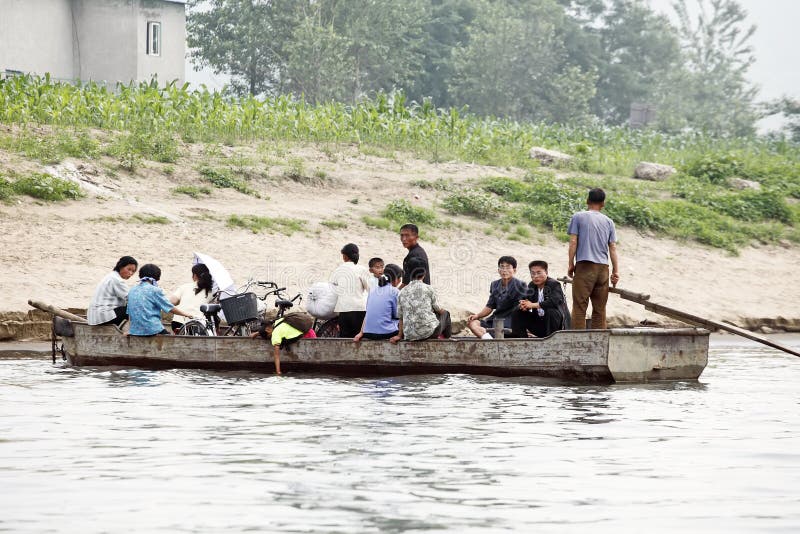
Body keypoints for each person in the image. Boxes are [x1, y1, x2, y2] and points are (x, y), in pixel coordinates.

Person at [567, 187, 619, 329]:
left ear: (587, 201)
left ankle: (578, 344)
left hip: (585, 266)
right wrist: (615, 271)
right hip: (603, 269)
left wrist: (571, 263)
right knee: (600, 310)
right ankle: (598, 345)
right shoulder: (609, 222)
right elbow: (612, 247)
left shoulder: (578, 217)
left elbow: (573, 242)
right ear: (603, 204)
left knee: (579, 308)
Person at [467, 256, 528, 339]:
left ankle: (488, 338)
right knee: (472, 323)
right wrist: (477, 315)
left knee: (497, 330)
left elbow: (522, 307)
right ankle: (489, 340)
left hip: (511, 321)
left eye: (508, 267)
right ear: (498, 270)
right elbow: (490, 306)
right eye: (502, 267)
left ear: (514, 270)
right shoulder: (494, 284)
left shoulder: (521, 285)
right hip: (495, 319)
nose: (504, 270)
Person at [391, 258, 450, 343]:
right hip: (429, 333)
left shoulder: (401, 292)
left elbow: (401, 317)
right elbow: (439, 310)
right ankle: (446, 341)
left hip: (409, 335)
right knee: (446, 314)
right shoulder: (429, 289)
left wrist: (399, 335)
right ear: (424, 273)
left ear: (408, 274)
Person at [126, 264, 194, 336]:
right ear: (157, 277)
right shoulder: (155, 290)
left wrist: (130, 330)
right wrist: (186, 314)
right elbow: (169, 307)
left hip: (135, 331)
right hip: (152, 329)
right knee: (169, 339)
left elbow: (129, 312)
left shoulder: (132, 290)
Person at [513, 260, 571, 338]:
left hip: (556, 326)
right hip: (539, 323)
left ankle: (552, 340)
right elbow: (526, 299)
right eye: (533, 273)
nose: (536, 276)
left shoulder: (554, 284)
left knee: (551, 311)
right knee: (517, 311)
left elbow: (553, 302)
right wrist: (523, 304)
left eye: (539, 273)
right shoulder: (532, 285)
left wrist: (532, 305)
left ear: (546, 272)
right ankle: (522, 340)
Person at [330, 243, 372, 338]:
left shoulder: (338, 270)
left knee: (345, 338)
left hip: (343, 310)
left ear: (344, 256)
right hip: (359, 309)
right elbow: (370, 289)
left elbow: (333, 288)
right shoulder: (361, 269)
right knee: (359, 338)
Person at [354, 263, 403, 341]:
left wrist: (361, 332)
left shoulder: (372, 290)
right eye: (400, 278)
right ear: (396, 279)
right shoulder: (395, 291)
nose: (400, 281)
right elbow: (398, 314)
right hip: (386, 333)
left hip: (368, 332)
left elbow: (368, 313)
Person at [87, 256, 138, 326]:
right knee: (133, 309)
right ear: (121, 267)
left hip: (94, 316)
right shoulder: (116, 280)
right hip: (102, 316)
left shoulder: (111, 276)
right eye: (129, 269)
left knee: (128, 308)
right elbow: (131, 298)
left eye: (133, 271)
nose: (131, 273)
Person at [169, 263, 215, 333]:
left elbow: (171, 302)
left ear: (195, 275)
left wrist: (180, 302)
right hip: (198, 325)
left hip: (178, 323)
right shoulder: (210, 292)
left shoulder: (184, 287)